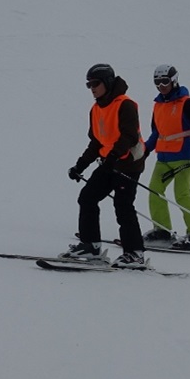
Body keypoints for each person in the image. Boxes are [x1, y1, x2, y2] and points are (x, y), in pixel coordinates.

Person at [60, 63, 148, 268]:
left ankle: (135, 253)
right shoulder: (96, 109)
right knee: (87, 197)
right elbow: (97, 142)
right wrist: (80, 165)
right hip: (109, 162)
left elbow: (129, 136)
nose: (92, 87)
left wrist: (114, 158)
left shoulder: (125, 104)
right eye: (88, 84)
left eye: (95, 83)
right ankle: (91, 246)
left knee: (123, 205)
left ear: (107, 82)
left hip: (128, 164)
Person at [142, 64, 190, 252]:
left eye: (164, 81)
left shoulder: (187, 103)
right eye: (157, 82)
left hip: (184, 156)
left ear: (174, 80)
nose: (161, 86)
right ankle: (162, 231)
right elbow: (156, 133)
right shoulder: (158, 105)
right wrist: (144, 151)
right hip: (163, 158)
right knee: (154, 191)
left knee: (182, 195)